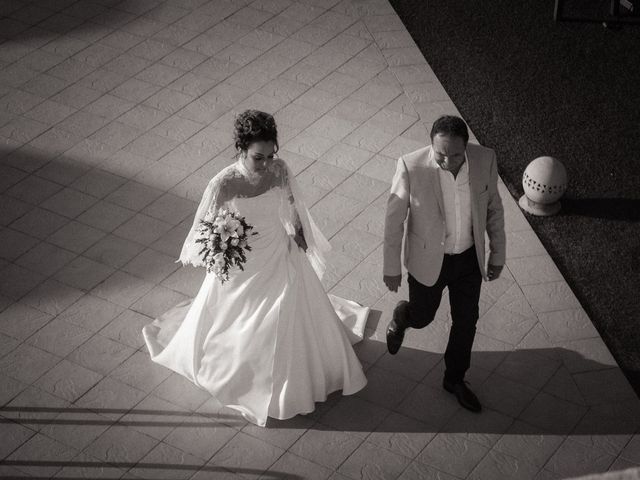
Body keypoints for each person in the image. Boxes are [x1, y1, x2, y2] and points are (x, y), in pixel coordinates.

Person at [143, 110, 368, 426]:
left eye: (270, 155)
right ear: (241, 149)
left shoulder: (279, 170)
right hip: (242, 257)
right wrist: (223, 247)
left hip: (278, 249)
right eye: (257, 157)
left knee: (291, 306)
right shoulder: (223, 183)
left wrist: (299, 233)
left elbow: (291, 204)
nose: (265, 164)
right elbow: (206, 226)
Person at [382, 115, 505, 413]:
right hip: (428, 260)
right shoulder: (410, 166)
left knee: (466, 321)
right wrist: (391, 267)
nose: (447, 161)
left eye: (455, 155)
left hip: (468, 260)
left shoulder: (485, 159)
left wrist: (497, 254)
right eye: (440, 154)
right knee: (423, 317)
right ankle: (403, 315)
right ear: (431, 145)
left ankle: (455, 380)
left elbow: (493, 209)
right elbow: (394, 220)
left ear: (467, 148)